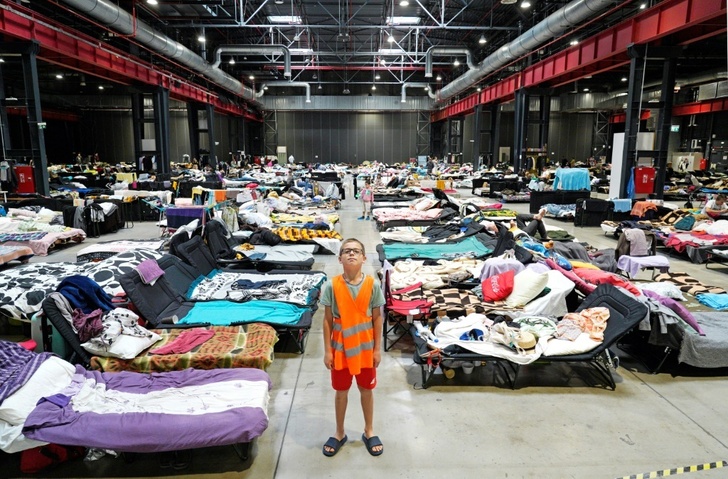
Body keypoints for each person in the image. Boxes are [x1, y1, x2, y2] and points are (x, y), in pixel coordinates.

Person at [320, 238, 385, 457]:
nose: (351, 254)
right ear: (339, 258)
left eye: (356, 251)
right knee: (341, 392)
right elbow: (327, 320)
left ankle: (369, 430)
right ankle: (339, 432)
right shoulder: (332, 285)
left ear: (364, 258)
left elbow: (377, 319)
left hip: (365, 348)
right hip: (340, 349)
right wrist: (327, 351)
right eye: (346, 251)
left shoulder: (372, 285)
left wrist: (377, 349)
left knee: (367, 390)